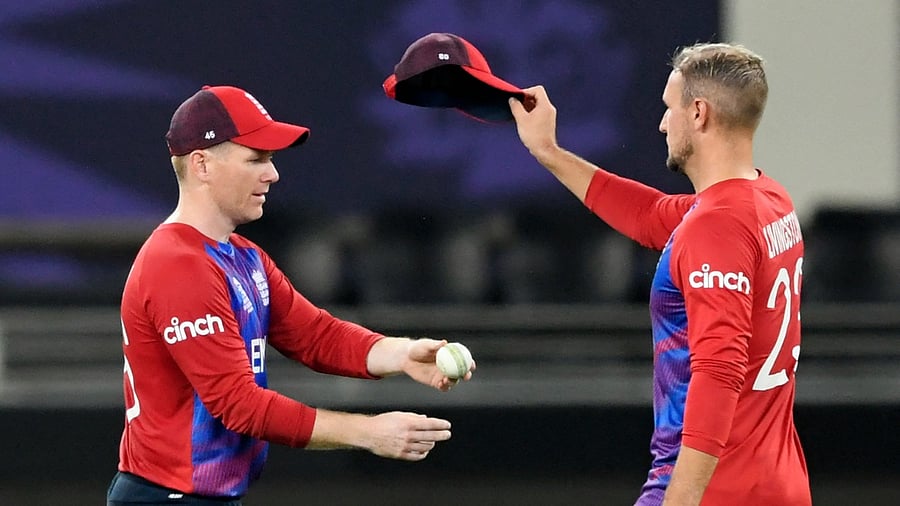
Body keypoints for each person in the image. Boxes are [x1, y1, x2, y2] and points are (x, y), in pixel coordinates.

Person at [107, 85, 474, 506]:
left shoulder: (243, 256)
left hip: (200, 495)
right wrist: (368, 433)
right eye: (256, 158)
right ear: (202, 164)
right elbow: (240, 406)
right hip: (166, 496)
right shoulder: (178, 265)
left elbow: (314, 335)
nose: (272, 173)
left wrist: (402, 355)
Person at [508, 43, 811, 505]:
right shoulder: (768, 200)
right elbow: (650, 215)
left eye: (669, 108)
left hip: (715, 490)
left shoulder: (716, 226)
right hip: (778, 483)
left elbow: (718, 371)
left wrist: (681, 499)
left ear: (699, 113)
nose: (662, 123)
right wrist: (548, 151)